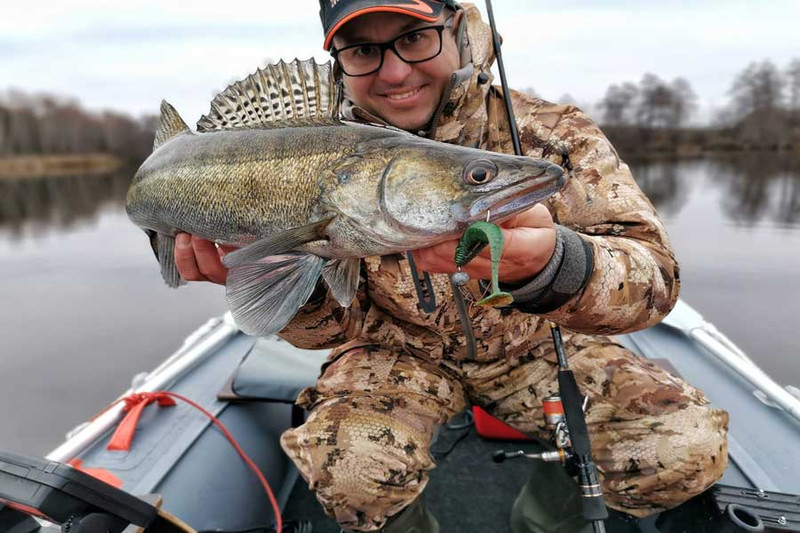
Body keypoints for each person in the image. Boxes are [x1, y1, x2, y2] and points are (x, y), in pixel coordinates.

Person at [174, 1, 729, 532]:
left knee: (680, 450)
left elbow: (654, 279)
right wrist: (284, 283)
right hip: (394, 353)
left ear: (459, 28)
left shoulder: (551, 136)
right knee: (349, 471)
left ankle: (546, 521)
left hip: (540, 348)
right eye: (363, 51)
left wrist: (554, 264)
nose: (393, 72)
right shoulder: (307, 153)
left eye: (415, 39)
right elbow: (333, 333)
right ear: (337, 61)